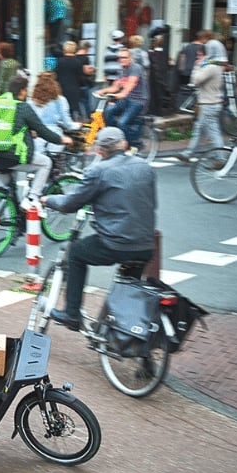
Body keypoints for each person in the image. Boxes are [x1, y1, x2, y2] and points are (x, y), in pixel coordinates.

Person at [41, 127, 156, 331]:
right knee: (129, 284)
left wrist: (47, 199)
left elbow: (70, 203)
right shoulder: (145, 166)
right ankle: (124, 332)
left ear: (100, 151)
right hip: (145, 244)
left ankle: (72, 314)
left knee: (76, 254)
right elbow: (151, 202)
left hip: (115, 243)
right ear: (125, 145)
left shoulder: (98, 171)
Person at [0, 74, 73, 204]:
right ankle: (32, 198)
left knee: (10, 195)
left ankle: (12, 219)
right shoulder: (23, 108)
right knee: (46, 163)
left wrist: (28, 132)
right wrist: (62, 140)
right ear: (22, 91)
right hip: (13, 156)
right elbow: (43, 131)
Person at [174, 45, 224, 164]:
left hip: (209, 104)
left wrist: (197, 66)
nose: (198, 58)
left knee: (213, 133)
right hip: (209, 103)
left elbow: (195, 81)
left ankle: (221, 158)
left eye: (200, 55)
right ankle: (188, 153)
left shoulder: (210, 67)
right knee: (199, 130)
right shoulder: (214, 66)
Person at [95, 48, 150, 149]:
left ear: (130, 58)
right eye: (119, 58)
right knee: (108, 111)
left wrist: (123, 94)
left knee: (122, 122)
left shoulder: (136, 68)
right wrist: (102, 91)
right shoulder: (121, 70)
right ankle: (115, 137)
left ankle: (131, 144)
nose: (121, 59)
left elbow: (131, 83)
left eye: (124, 57)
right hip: (126, 100)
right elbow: (115, 87)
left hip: (138, 101)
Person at [28, 71, 76, 157]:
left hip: (37, 137)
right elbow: (67, 123)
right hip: (55, 136)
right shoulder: (60, 100)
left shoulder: (31, 102)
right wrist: (76, 126)